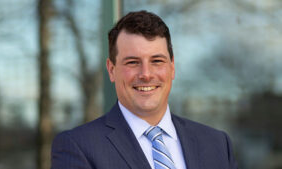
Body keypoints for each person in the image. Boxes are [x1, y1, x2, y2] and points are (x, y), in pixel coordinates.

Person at [51, 10, 238, 169]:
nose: (146, 74)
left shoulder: (217, 144)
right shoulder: (78, 146)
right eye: (132, 62)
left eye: (157, 61)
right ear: (111, 70)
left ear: (172, 67)